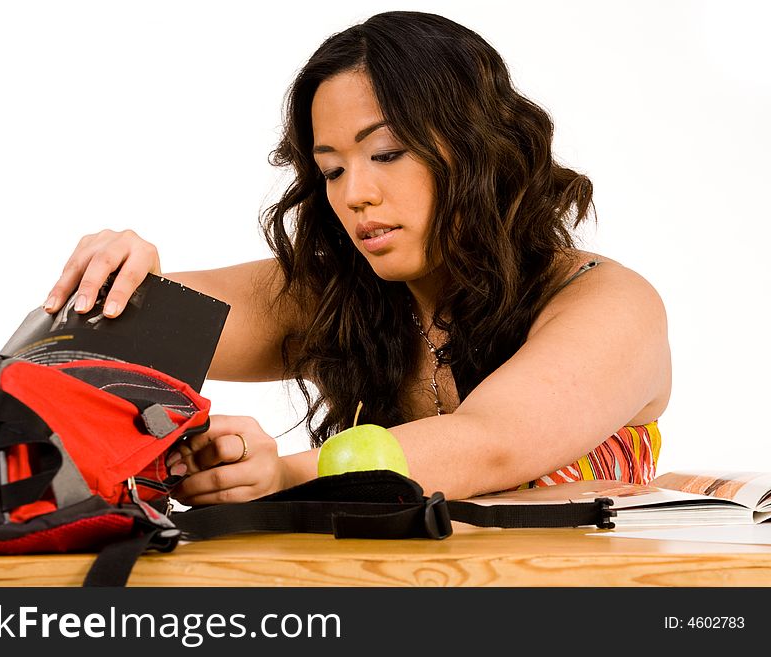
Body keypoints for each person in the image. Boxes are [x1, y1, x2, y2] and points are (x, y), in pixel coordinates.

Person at [42, 11, 671, 505]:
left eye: (388, 154)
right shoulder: (334, 295)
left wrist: (281, 476)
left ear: (479, 149)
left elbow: (492, 444)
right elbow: (74, 355)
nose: (354, 195)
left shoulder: (607, 301)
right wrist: (123, 281)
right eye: (331, 169)